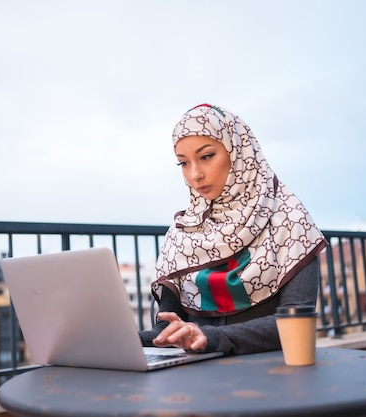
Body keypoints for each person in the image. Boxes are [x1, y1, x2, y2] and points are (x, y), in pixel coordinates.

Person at [138, 103, 328, 355]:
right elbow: (166, 329)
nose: (194, 175)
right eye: (183, 163)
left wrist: (209, 337)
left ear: (238, 152)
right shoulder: (182, 234)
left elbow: (295, 323)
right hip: (196, 378)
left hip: (271, 376)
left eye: (206, 156)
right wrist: (118, 337)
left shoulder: (289, 220)